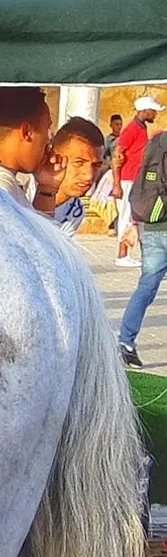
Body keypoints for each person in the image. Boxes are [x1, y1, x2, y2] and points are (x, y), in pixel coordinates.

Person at [116, 107, 167, 368]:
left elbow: (142, 182)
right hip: (163, 226)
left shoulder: (156, 142)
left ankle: (125, 340)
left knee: (146, 286)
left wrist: (135, 222)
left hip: (150, 224)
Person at [0, 87, 54, 208]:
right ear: (27, 132)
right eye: (47, 129)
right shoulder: (0, 186)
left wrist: (47, 189)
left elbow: (36, 227)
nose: (49, 139)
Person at [32, 117, 107, 236]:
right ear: (54, 156)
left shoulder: (75, 211)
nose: (89, 175)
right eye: (79, 162)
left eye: (96, 165)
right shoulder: (21, 190)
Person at [115, 96, 162, 266]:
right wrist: (116, 183)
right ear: (145, 111)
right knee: (127, 215)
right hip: (128, 178)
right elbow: (117, 154)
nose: (155, 114)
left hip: (136, 179)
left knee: (133, 215)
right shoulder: (132, 129)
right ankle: (121, 255)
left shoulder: (141, 128)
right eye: (153, 111)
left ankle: (126, 252)